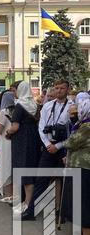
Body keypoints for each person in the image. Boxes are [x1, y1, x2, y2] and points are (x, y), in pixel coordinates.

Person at [33, 80, 73, 220]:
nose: (59, 91)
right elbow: (41, 126)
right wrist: (48, 143)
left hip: (63, 148)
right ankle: (32, 209)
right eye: (56, 88)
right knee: (41, 178)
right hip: (48, 145)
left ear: (68, 90)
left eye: (62, 88)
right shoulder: (48, 106)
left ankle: (61, 212)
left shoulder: (72, 107)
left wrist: (58, 146)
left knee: (63, 180)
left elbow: (73, 132)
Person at [7, 81, 41, 220]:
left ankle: (27, 204)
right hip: (33, 139)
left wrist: (8, 132)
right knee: (30, 170)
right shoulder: (34, 105)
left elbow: (15, 127)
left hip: (22, 141)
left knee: (24, 171)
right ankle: (28, 202)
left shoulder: (19, 106)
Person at [65, 98, 90, 235]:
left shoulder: (86, 126)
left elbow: (71, 142)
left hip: (83, 166)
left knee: (84, 201)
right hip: (82, 166)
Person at [0, 91, 15, 203]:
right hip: (14, 142)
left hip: (5, 141)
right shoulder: (16, 111)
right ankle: (14, 194)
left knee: (5, 167)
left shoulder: (4, 111)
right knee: (12, 167)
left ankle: (9, 194)